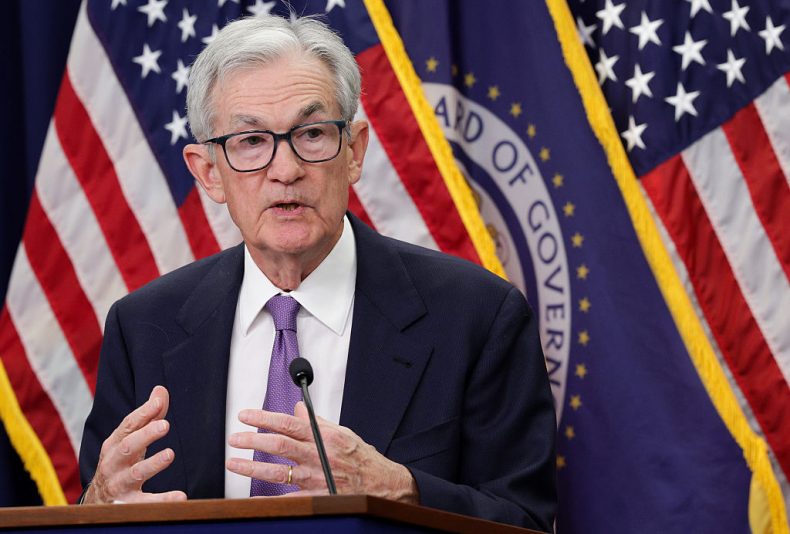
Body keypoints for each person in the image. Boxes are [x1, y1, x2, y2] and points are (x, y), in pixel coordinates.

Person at [78, 13, 556, 531]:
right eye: (251, 142)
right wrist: (95, 507)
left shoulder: (477, 316)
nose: (285, 170)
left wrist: (403, 490)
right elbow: (103, 513)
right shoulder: (143, 327)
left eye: (310, 133)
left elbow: (525, 521)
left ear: (353, 152)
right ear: (209, 172)